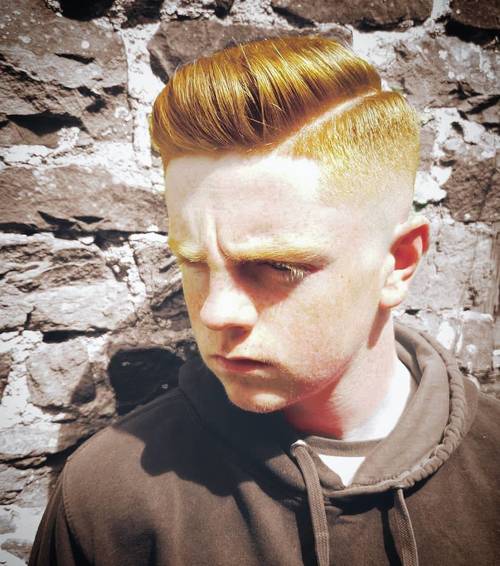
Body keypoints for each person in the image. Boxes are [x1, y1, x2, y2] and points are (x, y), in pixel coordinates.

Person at [29, 35, 499, 566]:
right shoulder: (108, 498)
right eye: (194, 263)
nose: (215, 313)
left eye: (278, 267)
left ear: (399, 263)